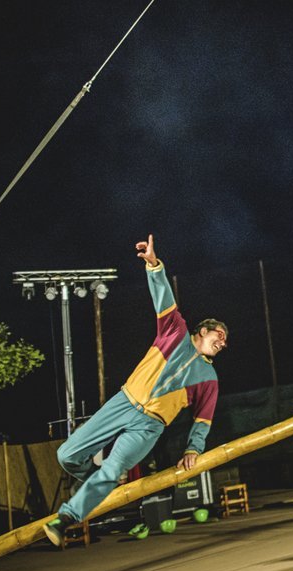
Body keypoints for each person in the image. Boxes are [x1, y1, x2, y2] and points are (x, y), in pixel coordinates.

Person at [44, 234, 228, 546]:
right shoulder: (175, 332)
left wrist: (193, 449)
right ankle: (100, 482)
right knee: (67, 455)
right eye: (219, 335)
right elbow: (163, 296)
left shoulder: (209, 378)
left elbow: (203, 419)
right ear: (202, 330)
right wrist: (154, 265)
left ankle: (66, 518)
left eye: (225, 342)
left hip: (149, 426)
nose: (222, 342)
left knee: (113, 467)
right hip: (124, 402)